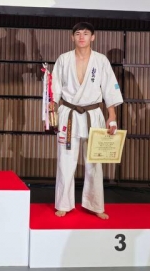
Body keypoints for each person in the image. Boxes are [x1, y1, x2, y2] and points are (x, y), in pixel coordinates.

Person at [50, 22, 122, 219]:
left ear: (93, 37)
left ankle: (95, 205)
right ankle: (63, 203)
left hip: (93, 114)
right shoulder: (64, 59)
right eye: (78, 34)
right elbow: (54, 88)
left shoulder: (101, 60)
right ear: (72, 37)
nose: (81, 37)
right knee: (65, 160)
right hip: (69, 113)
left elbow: (109, 88)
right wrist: (51, 110)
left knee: (94, 162)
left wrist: (112, 116)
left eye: (86, 33)